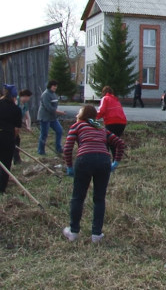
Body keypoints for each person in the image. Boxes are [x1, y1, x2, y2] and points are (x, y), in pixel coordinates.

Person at [62, 105, 125, 243]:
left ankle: (73, 232)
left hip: (84, 160)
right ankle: (96, 234)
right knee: (99, 198)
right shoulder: (101, 128)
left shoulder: (77, 126)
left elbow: (67, 148)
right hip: (103, 161)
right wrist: (116, 162)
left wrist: (69, 166)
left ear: (82, 114)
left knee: (78, 197)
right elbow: (120, 143)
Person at [0, 84, 23, 194]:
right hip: (6, 136)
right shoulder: (16, 109)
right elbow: (16, 128)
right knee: (5, 163)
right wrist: (14, 139)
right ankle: (1, 189)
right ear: (14, 97)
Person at [96, 86, 127, 162]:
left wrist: (93, 117)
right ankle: (115, 160)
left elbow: (101, 111)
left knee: (106, 142)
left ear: (103, 92)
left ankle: (105, 160)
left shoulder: (105, 98)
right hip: (122, 123)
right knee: (114, 142)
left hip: (111, 122)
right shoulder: (116, 100)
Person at [37, 80, 66, 155]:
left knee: (59, 130)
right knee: (44, 134)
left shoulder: (54, 94)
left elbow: (55, 105)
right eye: (54, 86)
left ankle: (58, 148)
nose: (55, 87)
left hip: (52, 118)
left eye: (56, 86)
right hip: (45, 117)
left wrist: (57, 113)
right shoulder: (46, 94)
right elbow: (48, 107)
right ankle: (41, 151)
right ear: (50, 86)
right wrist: (59, 112)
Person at [13, 89, 33, 164]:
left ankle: (16, 159)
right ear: (24, 96)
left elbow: (27, 116)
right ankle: (16, 159)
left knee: (17, 140)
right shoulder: (16, 101)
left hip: (17, 126)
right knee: (14, 141)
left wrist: (28, 126)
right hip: (11, 125)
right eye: (29, 97)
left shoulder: (25, 104)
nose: (29, 99)